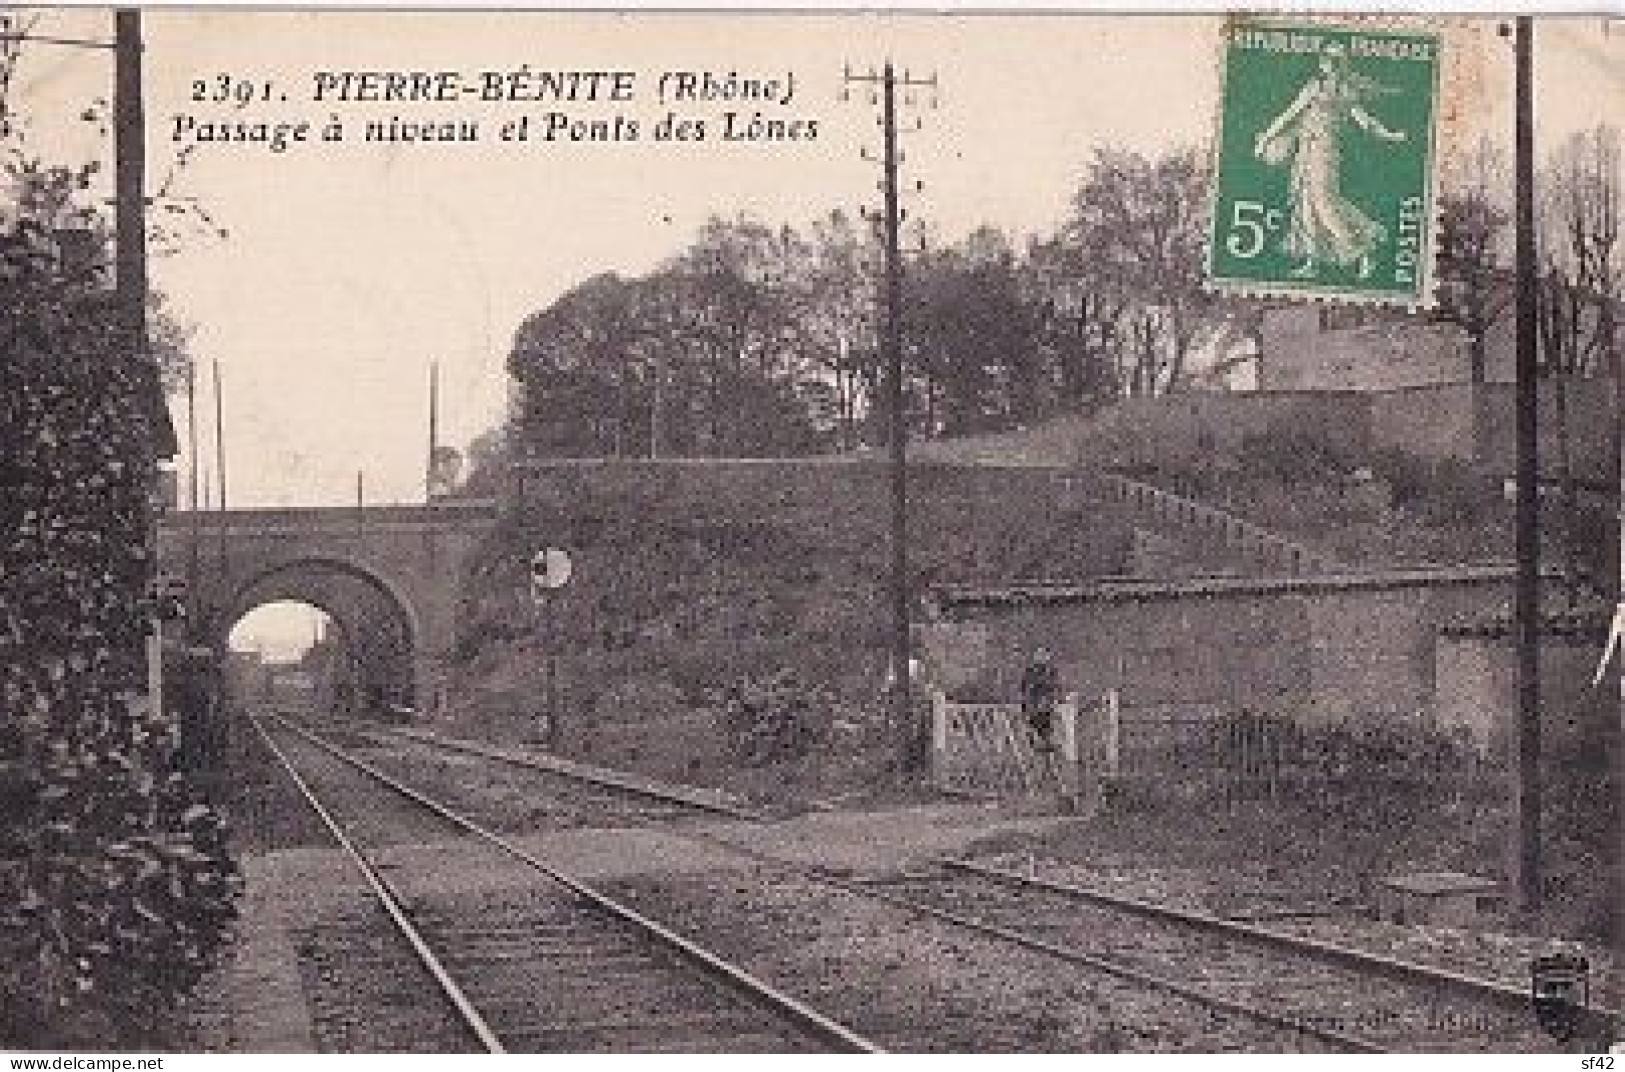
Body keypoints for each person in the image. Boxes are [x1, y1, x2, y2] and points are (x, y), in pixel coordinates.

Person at [1253, 42, 1408, 281]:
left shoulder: (1346, 91)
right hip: (1305, 151)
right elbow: (1289, 114)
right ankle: (1312, 261)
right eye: (1329, 59)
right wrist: (1266, 139)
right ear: (1322, 63)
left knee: (1326, 203)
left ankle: (1364, 251)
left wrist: (1390, 135)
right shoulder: (1314, 87)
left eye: (1338, 60)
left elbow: (1365, 121)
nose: (1333, 65)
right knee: (1305, 205)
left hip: (1326, 152)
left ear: (1344, 64)